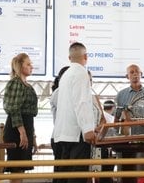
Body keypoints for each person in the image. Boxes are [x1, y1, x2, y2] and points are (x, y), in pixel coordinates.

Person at [53, 42, 97, 183]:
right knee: (78, 177)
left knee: (64, 176)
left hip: (63, 133)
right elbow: (82, 102)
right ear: (86, 56)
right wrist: (88, 129)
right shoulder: (81, 73)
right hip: (77, 134)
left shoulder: (65, 75)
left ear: (69, 57)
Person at [3, 53, 38, 183]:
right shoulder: (15, 83)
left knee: (21, 167)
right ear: (20, 66)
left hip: (26, 126)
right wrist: (22, 132)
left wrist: (32, 136)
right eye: (28, 64)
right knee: (16, 167)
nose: (31, 67)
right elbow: (14, 109)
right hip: (16, 129)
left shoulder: (27, 85)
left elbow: (30, 114)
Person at [114, 64, 144, 183]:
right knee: (126, 173)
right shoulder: (121, 95)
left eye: (137, 72)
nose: (135, 74)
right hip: (126, 140)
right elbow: (116, 118)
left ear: (141, 75)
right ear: (127, 76)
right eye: (132, 72)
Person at [50, 66, 70, 183]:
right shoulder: (59, 92)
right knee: (61, 172)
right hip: (59, 137)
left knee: (64, 171)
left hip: (64, 136)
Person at [99, 100, 116, 183]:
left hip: (98, 145)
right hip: (107, 146)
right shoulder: (111, 118)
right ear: (113, 108)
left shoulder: (100, 115)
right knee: (107, 169)